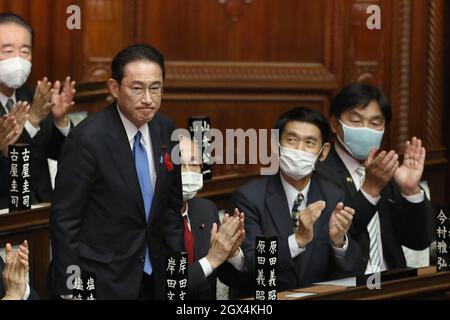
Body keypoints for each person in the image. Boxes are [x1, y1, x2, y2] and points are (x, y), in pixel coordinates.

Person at [49, 44, 184, 300]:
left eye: (156, 88)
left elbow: (171, 208)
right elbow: (65, 220)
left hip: (154, 277)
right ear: (114, 88)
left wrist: (175, 270)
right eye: (137, 88)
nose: (148, 98)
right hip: (101, 279)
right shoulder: (87, 139)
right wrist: (69, 289)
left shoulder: (166, 129)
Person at [231, 107, 361, 298]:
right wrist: (297, 241)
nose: (299, 149)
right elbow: (247, 265)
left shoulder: (333, 196)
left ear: (323, 152)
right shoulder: (249, 197)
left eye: (309, 142)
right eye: (291, 140)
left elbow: (349, 270)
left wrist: (338, 242)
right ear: (276, 145)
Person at [316, 83, 434, 275]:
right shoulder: (318, 172)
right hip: (347, 288)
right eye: (355, 121)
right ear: (335, 125)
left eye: (374, 123)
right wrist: (370, 190)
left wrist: (410, 190)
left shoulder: (385, 170)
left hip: (395, 284)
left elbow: (419, 241)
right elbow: (331, 238)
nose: (365, 129)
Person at [0, 13, 76, 208]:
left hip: (43, 209)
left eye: (25, 51)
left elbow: (63, 155)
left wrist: (60, 121)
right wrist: (32, 121)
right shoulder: (36, 107)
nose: (18, 59)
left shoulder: (36, 96)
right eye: (8, 50)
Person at [178, 135, 246, 299]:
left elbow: (233, 280)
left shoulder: (205, 209)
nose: (188, 171)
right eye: (179, 165)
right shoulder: (147, 218)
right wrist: (211, 259)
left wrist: (232, 255)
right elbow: (164, 287)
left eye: (194, 164)